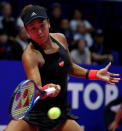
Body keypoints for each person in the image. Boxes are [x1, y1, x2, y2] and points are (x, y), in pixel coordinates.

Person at [5, 5, 120, 131]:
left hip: (60, 110)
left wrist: (94, 74)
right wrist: (47, 88)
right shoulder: (30, 55)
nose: (39, 32)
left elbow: (69, 68)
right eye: (33, 28)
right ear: (27, 32)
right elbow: (36, 86)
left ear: (48, 23)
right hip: (35, 113)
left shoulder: (61, 39)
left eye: (42, 25)